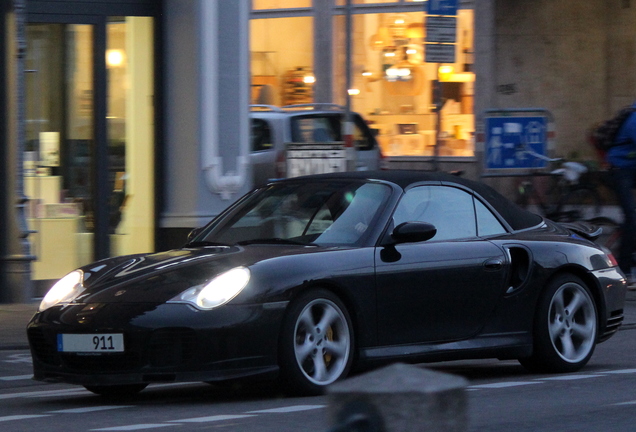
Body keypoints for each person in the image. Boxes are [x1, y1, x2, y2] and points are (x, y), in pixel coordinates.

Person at [605, 102, 636, 288]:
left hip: (632, 169)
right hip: (619, 170)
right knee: (630, 217)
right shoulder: (634, 119)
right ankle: (625, 270)